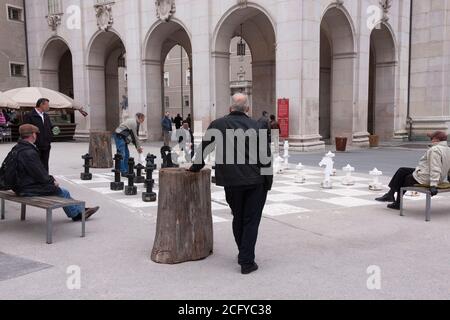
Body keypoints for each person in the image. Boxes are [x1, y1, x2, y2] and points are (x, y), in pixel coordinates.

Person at [189, 93, 273, 275]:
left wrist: (194, 168)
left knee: (238, 217)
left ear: (230, 109)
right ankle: (246, 261)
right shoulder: (257, 126)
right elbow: (266, 157)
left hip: (232, 181)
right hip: (255, 180)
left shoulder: (218, 124)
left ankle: (244, 254)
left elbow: (204, 149)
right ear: (248, 109)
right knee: (251, 221)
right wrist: (268, 183)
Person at [11, 124, 99, 221]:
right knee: (63, 192)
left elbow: (34, 172)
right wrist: (52, 181)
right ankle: (76, 215)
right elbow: (39, 174)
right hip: (26, 188)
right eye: (36, 133)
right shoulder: (29, 152)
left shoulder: (18, 147)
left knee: (61, 191)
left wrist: (49, 179)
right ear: (33, 135)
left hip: (20, 185)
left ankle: (80, 209)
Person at [376, 131, 450, 210]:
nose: (431, 140)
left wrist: (433, 185)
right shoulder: (448, 149)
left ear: (436, 139)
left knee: (406, 179)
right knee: (402, 170)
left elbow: (435, 167)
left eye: (432, 138)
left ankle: (396, 202)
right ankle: (390, 194)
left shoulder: (435, 150)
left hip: (427, 178)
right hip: (431, 175)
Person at [23, 98, 53, 172]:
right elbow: (26, 130)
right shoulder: (29, 115)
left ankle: (45, 180)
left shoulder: (46, 116)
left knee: (45, 164)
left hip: (46, 145)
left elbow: (50, 127)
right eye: (47, 105)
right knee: (35, 164)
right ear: (41, 105)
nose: (48, 107)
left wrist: (50, 138)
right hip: (35, 145)